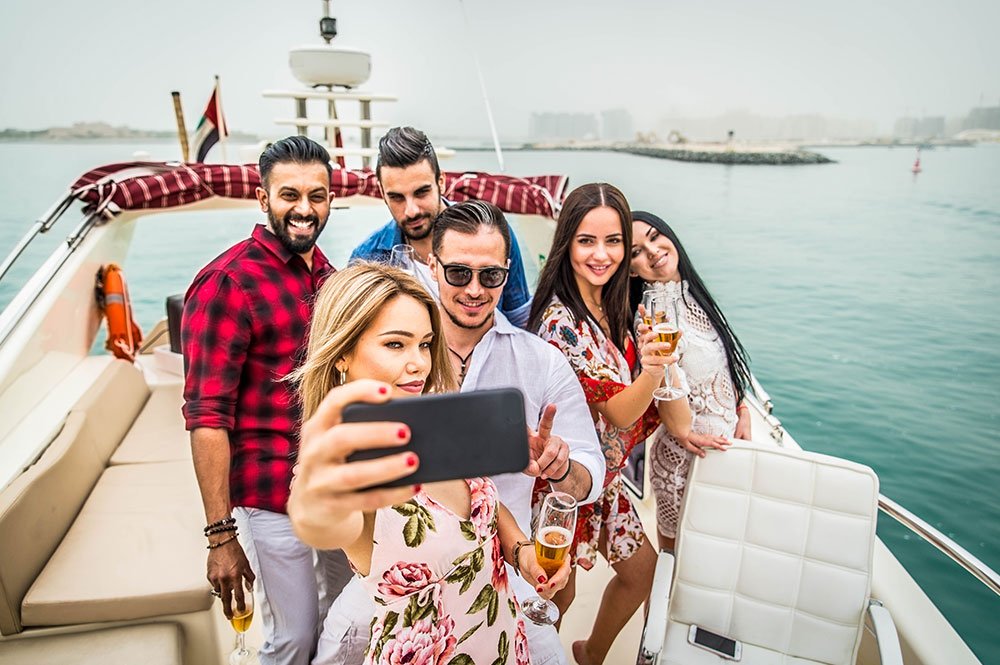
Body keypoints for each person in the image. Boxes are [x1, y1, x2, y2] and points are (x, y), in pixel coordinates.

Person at [313, 200, 605, 665]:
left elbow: (591, 470)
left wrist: (560, 466)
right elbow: (328, 509)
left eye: (490, 276)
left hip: (501, 578)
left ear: (507, 274)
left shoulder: (541, 361)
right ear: (433, 264)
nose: (474, 290)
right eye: (458, 273)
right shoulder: (399, 381)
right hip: (404, 596)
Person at [182, 136, 352, 665]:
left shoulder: (328, 275)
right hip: (269, 496)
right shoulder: (226, 284)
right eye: (290, 194)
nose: (305, 209)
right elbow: (207, 417)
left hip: (331, 486)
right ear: (263, 199)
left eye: (317, 196)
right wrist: (219, 537)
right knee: (296, 636)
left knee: (347, 620)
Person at [526, 183, 673, 665]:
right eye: (587, 240)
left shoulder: (618, 304)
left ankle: (591, 654)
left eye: (613, 242)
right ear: (566, 242)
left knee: (641, 570)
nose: (601, 254)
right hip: (562, 481)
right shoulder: (560, 324)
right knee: (555, 596)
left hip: (604, 481)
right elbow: (618, 411)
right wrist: (653, 370)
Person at [628, 210, 752, 553]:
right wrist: (684, 432)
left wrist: (742, 406)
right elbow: (673, 408)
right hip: (687, 462)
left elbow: (723, 363)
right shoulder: (651, 316)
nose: (652, 250)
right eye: (637, 250)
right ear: (630, 268)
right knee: (679, 569)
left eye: (654, 236)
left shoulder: (694, 294)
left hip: (725, 454)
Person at [349, 126, 534, 327]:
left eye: (421, 193)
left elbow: (520, 320)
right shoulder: (367, 258)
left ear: (441, 182)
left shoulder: (492, 233)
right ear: (383, 194)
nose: (411, 210)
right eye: (396, 197)